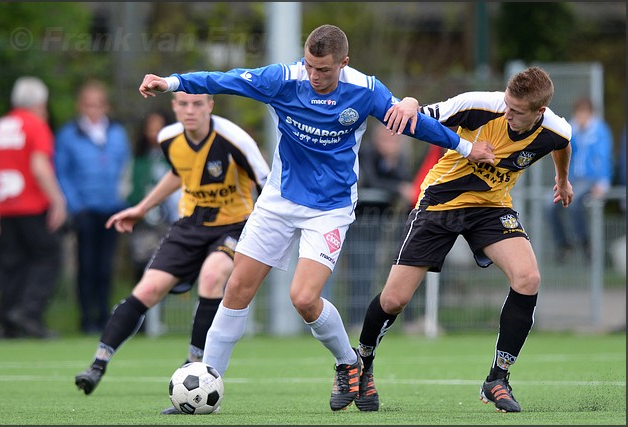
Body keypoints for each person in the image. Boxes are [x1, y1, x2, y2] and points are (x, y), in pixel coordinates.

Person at [138, 24, 495, 412]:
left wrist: (464, 146)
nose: (314, 75)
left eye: (323, 69)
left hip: (330, 207)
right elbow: (223, 81)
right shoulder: (282, 79)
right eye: (309, 66)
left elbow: (413, 123)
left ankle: (348, 362)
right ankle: (207, 386)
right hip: (279, 200)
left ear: (344, 63)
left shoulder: (365, 90)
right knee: (237, 288)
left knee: (304, 298)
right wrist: (172, 82)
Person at [354, 66, 573, 413]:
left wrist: (562, 180)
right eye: (507, 104)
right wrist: (410, 101)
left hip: (491, 207)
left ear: (539, 112)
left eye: (517, 112)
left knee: (528, 278)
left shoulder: (554, 129)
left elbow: (563, 144)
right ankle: (362, 367)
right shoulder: (479, 105)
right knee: (395, 299)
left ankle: (497, 379)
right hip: (442, 202)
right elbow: (424, 115)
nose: (508, 113)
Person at [74, 92, 270, 403]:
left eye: (197, 104)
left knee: (211, 276)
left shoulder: (233, 138)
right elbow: (180, 173)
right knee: (148, 289)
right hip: (190, 225)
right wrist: (140, 208)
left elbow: (267, 183)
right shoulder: (168, 138)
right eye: (183, 104)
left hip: (234, 225)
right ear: (174, 107)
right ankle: (98, 363)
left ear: (210, 106)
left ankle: (195, 365)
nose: (190, 110)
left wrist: (267, 233)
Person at [0, 76, 67, 339]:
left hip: (6, 206)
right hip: (32, 205)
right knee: (49, 257)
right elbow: (39, 166)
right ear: (39, 102)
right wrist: (57, 200)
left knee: (12, 263)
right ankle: (28, 314)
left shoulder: (1, 126)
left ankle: (7, 321)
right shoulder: (35, 125)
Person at [55, 80, 132, 334]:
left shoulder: (117, 133)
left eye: (98, 104)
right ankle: (86, 318)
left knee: (105, 266)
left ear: (106, 106)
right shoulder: (69, 134)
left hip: (112, 208)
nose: (94, 109)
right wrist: (75, 205)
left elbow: (125, 168)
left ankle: (103, 317)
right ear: (81, 106)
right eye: (89, 104)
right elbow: (62, 172)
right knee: (86, 265)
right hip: (85, 210)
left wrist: (122, 198)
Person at [345, 123, 412, 328]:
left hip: (385, 220)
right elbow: (373, 182)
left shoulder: (398, 158)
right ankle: (357, 320)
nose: (391, 141)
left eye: (394, 137)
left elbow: (405, 181)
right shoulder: (366, 153)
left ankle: (406, 321)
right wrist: (398, 188)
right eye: (386, 136)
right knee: (361, 269)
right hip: (361, 221)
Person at [546, 98, 613, 261]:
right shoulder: (571, 129)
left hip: (591, 179)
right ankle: (563, 244)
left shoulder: (600, 131)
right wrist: (562, 179)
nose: (581, 118)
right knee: (548, 204)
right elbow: (564, 154)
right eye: (579, 114)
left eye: (585, 114)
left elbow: (604, 157)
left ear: (591, 114)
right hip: (573, 179)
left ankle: (584, 242)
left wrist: (603, 182)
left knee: (575, 204)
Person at [126, 111, 179, 283]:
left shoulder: (176, 158)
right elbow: (130, 189)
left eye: (159, 129)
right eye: (151, 129)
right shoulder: (138, 160)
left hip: (168, 221)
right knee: (142, 263)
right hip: (143, 222)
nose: (155, 134)